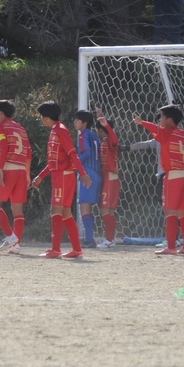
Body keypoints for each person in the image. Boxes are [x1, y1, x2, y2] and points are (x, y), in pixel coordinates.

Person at [133, 105, 184, 255]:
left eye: (162, 117)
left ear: (169, 120)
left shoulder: (167, 133)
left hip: (173, 176)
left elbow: (155, 130)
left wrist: (141, 122)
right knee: (183, 212)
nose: (160, 120)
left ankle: (171, 247)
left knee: (170, 212)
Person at [31, 101, 92, 259]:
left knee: (55, 210)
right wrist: (40, 177)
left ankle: (55, 249)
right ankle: (77, 249)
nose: (41, 120)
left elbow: (72, 153)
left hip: (64, 176)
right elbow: (54, 161)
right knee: (65, 212)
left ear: (47, 117)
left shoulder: (60, 130)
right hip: (60, 175)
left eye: (42, 117)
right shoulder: (55, 130)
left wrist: (83, 174)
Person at [0, 100, 32, 255]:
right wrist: (27, 174)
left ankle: (11, 237)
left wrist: (0, 168)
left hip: (9, 169)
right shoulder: (21, 129)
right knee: (17, 209)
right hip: (21, 170)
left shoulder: (0, 127)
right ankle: (16, 245)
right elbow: (28, 152)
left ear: (1, 113)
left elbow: (4, 146)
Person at [73, 110, 102, 248]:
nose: (75, 122)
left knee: (85, 207)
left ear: (84, 123)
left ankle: (89, 240)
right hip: (96, 173)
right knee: (88, 207)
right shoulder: (95, 136)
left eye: (77, 120)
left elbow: (87, 153)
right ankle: (89, 238)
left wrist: (75, 165)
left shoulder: (83, 135)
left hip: (88, 174)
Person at [95, 111, 120, 248]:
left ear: (100, 130)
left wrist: (107, 126)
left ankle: (109, 240)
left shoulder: (110, 140)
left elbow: (115, 140)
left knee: (106, 210)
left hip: (110, 178)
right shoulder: (102, 141)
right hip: (109, 178)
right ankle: (111, 239)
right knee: (108, 211)